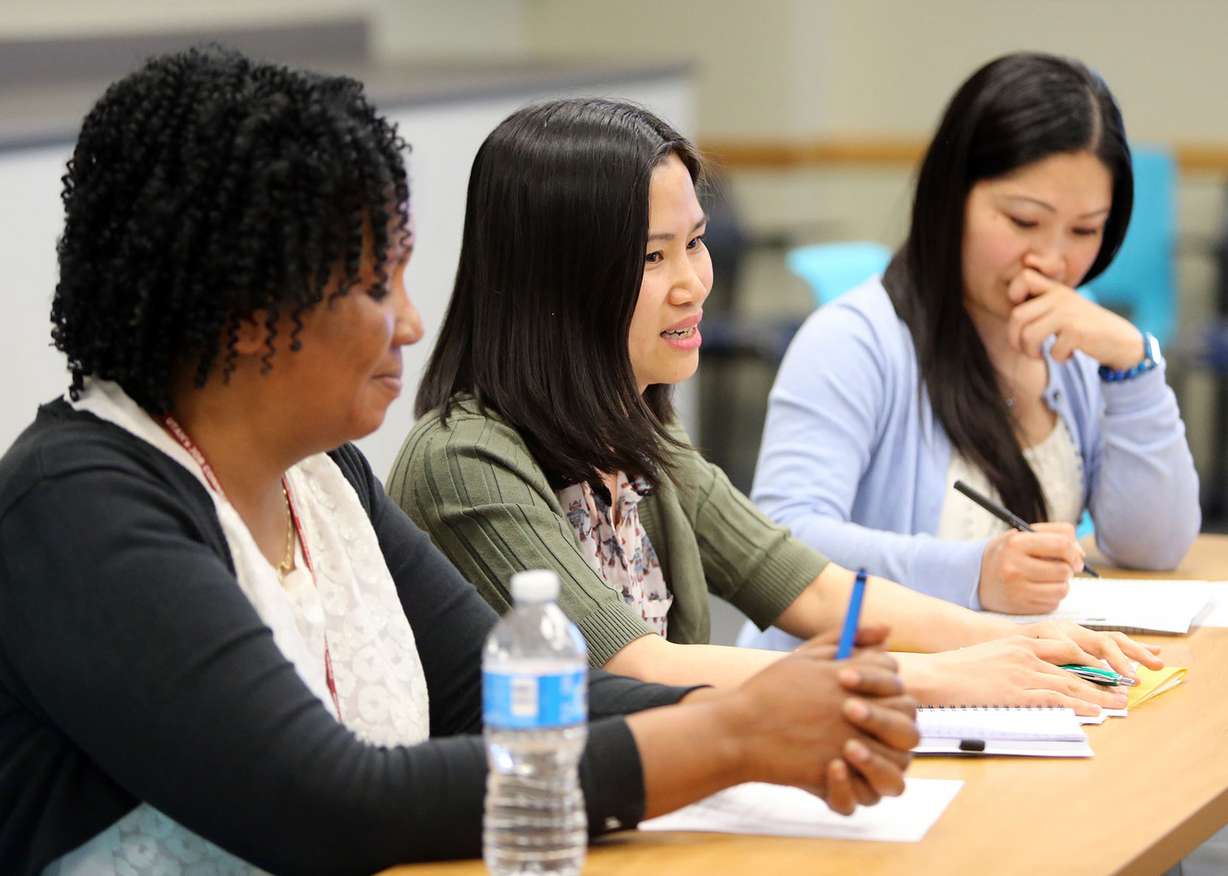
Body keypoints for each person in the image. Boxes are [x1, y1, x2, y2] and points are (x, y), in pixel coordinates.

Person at [0, 47, 923, 876]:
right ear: (242, 314)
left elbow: (502, 694)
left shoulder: (326, 479)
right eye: (372, 284)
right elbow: (328, 803)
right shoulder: (80, 503)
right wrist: (728, 737)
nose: (409, 320)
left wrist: (785, 712)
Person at [389, 97, 1160, 717]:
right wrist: (943, 676)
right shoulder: (467, 459)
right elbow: (634, 668)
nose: (693, 281)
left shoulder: (632, 436)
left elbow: (810, 587)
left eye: (695, 243)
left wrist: (1019, 641)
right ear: (558, 281)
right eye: (652, 257)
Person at [745, 52, 1199, 654]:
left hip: (1011, 679)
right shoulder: (852, 340)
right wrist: (973, 573)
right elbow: (785, 544)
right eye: (1023, 220)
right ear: (952, 197)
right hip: (862, 690)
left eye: (1086, 231)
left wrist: (1134, 365)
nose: (1053, 260)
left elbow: (1153, 548)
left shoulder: (1074, 340)